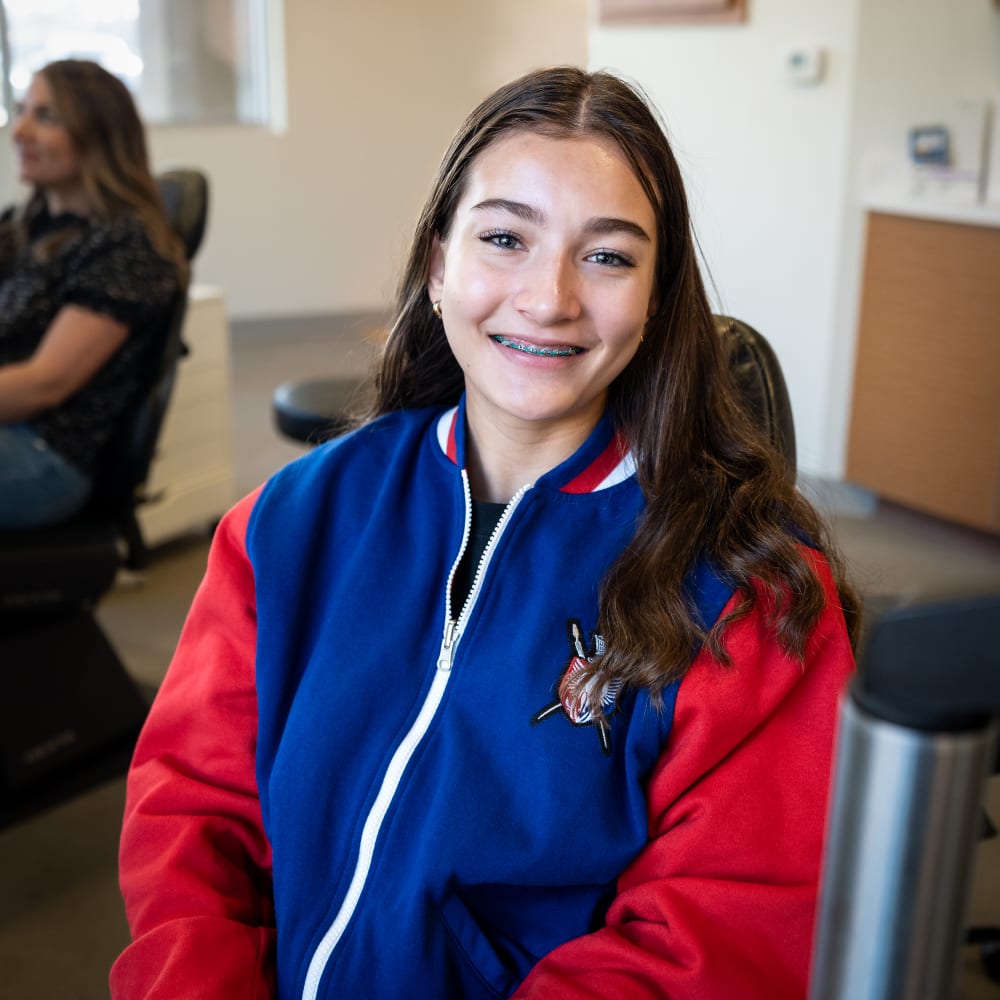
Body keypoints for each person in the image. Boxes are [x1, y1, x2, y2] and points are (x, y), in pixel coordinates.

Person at [112, 66, 858, 999]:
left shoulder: (750, 590)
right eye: (504, 238)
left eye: (609, 256)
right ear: (437, 266)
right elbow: (190, 816)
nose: (549, 298)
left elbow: (720, 933)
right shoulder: (292, 523)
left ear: (660, 299)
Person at [0, 59, 185, 529]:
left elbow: (45, 383)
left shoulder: (125, 245)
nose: (19, 130)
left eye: (45, 116)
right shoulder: (28, 226)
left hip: (44, 455)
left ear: (99, 135)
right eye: (23, 111)